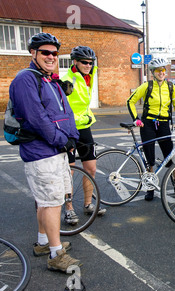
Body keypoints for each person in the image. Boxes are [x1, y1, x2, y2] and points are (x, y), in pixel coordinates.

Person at [9, 32, 81, 272]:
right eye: (45, 52)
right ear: (33, 54)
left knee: (48, 200)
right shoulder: (25, 79)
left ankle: (43, 243)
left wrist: (73, 138)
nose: (51, 56)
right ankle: (55, 254)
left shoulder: (50, 79)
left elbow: (66, 112)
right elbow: (36, 118)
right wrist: (62, 140)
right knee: (51, 202)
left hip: (56, 150)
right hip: (41, 152)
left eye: (54, 53)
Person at [127, 58, 175, 201]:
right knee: (150, 157)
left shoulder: (170, 87)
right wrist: (135, 119)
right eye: (158, 70)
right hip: (148, 124)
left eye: (163, 70)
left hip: (163, 124)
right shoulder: (147, 86)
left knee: (170, 155)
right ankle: (150, 186)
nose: (161, 72)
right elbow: (130, 101)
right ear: (152, 73)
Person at [62, 46, 106, 218]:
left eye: (90, 62)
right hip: (69, 129)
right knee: (69, 172)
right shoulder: (68, 80)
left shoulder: (89, 75)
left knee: (91, 168)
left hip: (84, 127)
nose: (88, 65)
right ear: (75, 62)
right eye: (84, 62)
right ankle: (69, 209)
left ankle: (88, 204)